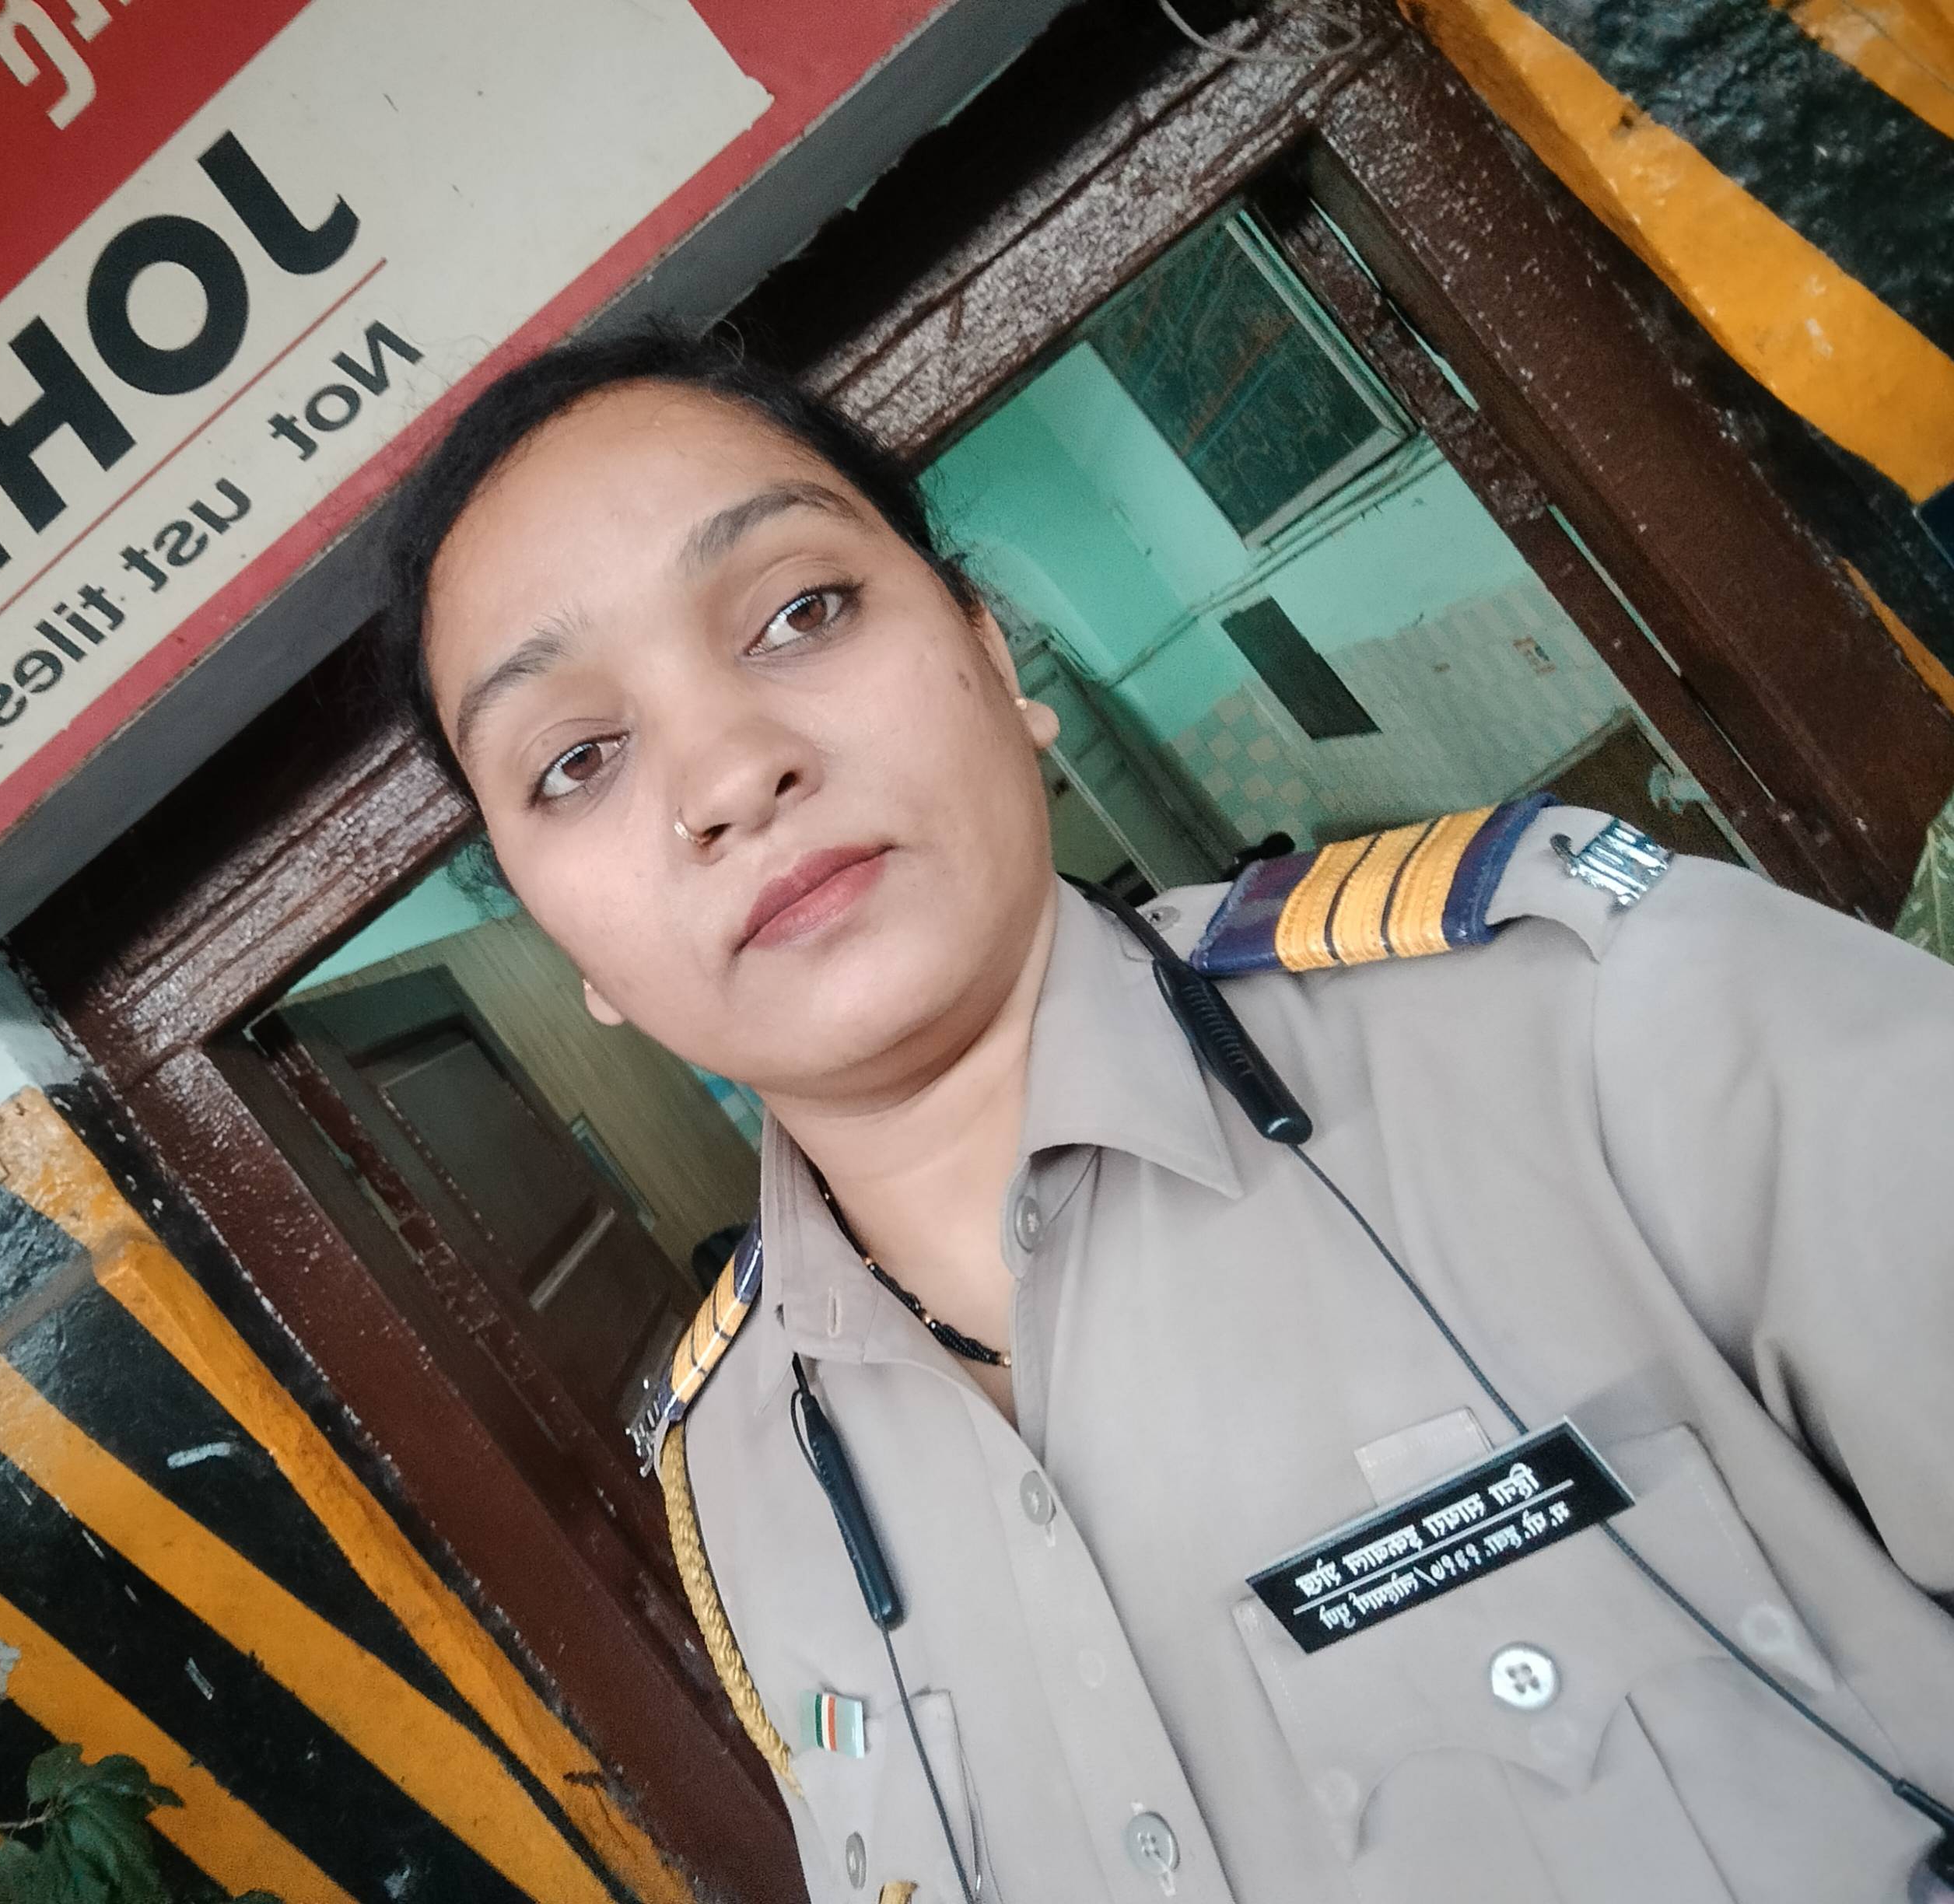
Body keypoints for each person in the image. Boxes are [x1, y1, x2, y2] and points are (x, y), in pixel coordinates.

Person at [371, 327, 1954, 1904]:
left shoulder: (1599, 1022)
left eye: (801, 612)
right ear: (565, 947)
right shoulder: (736, 1478)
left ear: (993, 656)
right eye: (575, 760)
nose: (730, 773)